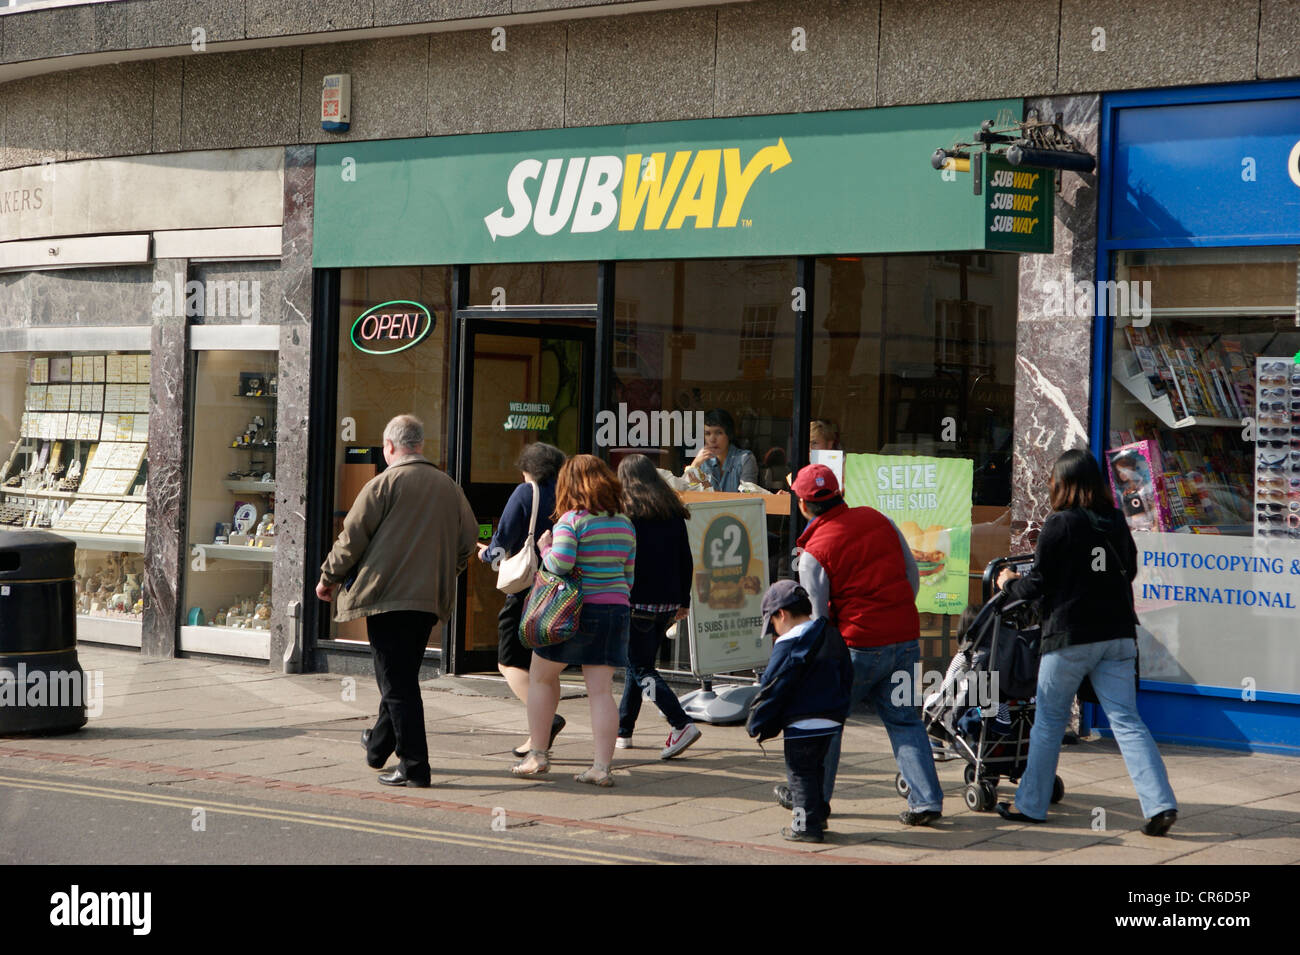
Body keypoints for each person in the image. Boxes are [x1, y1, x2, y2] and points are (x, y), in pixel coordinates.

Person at [994, 449, 1178, 835]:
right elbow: (1129, 570)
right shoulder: (1114, 520)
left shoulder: (1059, 524)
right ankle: (1160, 804)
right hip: (1117, 635)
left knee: (1048, 721)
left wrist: (1008, 582)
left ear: (1063, 484)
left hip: (1070, 637)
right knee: (1127, 721)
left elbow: (1038, 583)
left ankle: (1031, 805)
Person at [317, 414, 476, 788]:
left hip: (385, 599)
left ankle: (415, 766)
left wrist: (327, 579)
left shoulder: (381, 484)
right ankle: (377, 746)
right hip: (426, 602)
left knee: (398, 684)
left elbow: (351, 539)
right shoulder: (448, 486)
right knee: (400, 677)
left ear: (390, 447)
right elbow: (469, 540)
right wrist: (442, 573)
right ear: (419, 445)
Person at [790, 463, 945, 826]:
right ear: (839, 493)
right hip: (904, 637)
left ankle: (817, 802)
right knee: (905, 721)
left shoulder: (812, 553)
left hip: (856, 645)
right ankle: (927, 801)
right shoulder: (880, 520)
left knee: (826, 721)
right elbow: (912, 577)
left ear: (802, 505)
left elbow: (817, 619)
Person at [512, 454, 636, 786]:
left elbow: (562, 564)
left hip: (575, 609)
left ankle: (537, 755)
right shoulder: (624, 522)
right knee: (601, 691)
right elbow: (629, 575)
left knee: (540, 677)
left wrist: (546, 548)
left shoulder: (573, 520)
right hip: (615, 610)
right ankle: (601, 767)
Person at [476, 441, 567, 759]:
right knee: (547, 669)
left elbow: (501, 543)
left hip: (528, 589)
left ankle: (546, 720)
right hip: (560, 589)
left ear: (527, 466)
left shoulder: (526, 493)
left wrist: (484, 553)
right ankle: (538, 737)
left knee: (508, 660)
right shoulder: (568, 494)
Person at [747, 580, 853, 844]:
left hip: (801, 723)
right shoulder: (830, 634)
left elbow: (773, 686)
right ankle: (817, 815)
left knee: (800, 773)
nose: (773, 631)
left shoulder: (788, 643)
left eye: (772, 623)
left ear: (781, 614)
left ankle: (805, 826)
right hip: (831, 721)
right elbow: (847, 675)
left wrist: (756, 721)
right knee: (815, 769)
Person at [614, 453, 701, 759]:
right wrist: (684, 600)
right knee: (637, 666)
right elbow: (686, 558)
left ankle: (680, 722)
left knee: (640, 668)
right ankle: (623, 731)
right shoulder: (671, 510)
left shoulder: (626, 513)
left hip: (636, 601)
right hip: (666, 603)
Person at [689, 409, 758, 492]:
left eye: (718, 433)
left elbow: (748, 497)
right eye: (707, 434)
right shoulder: (703, 461)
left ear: (729, 434)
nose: (712, 439)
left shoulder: (745, 459)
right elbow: (685, 492)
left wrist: (709, 489)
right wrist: (695, 464)